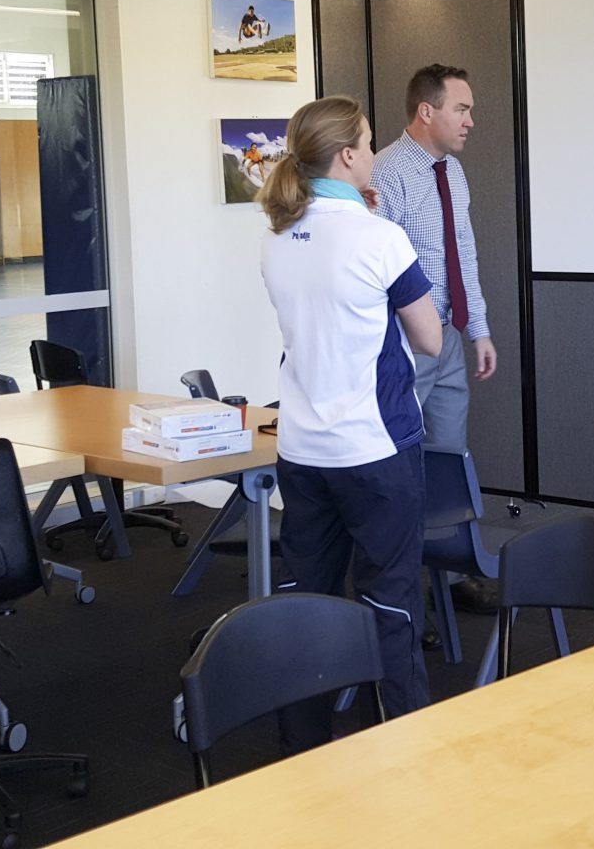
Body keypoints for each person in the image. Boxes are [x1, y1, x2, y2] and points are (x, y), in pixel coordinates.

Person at [257, 95, 443, 752]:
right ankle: (401, 744)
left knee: (306, 600)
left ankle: (301, 747)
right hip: (374, 450)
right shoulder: (378, 236)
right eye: (366, 143)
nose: (372, 153)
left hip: (303, 451)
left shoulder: (276, 237)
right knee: (390, 601)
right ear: (345, 156)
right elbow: (430, 339)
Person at [370, 64, 496, 452]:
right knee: (396, 453)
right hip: (404, 340)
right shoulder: (386, 172)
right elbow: (373, 266)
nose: (470, 121)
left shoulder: (453, 171)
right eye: (461, 110)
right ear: (427, 111)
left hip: (449, 337)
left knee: (449, 455)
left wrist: (479, 330)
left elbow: (464, 253)